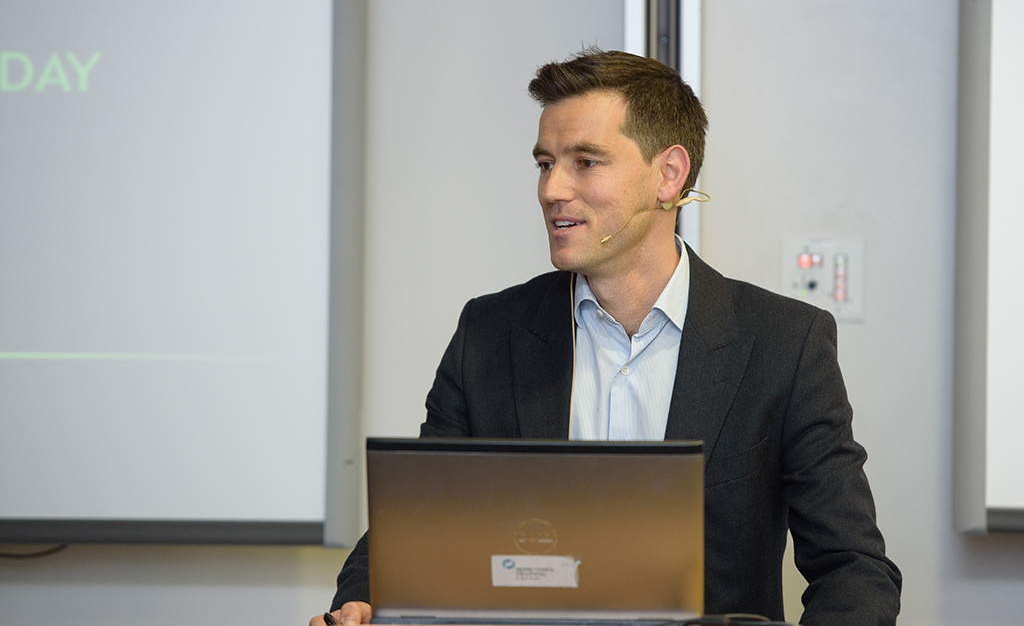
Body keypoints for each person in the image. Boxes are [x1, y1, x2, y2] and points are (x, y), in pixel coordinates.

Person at [312, 49, 901, 626]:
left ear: (668, 175)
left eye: (585, 162)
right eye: (545, 164)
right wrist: (361, 602)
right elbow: (414, 526)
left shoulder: (783, 343)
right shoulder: (489, 334)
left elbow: (853, 569)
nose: (551, 190)